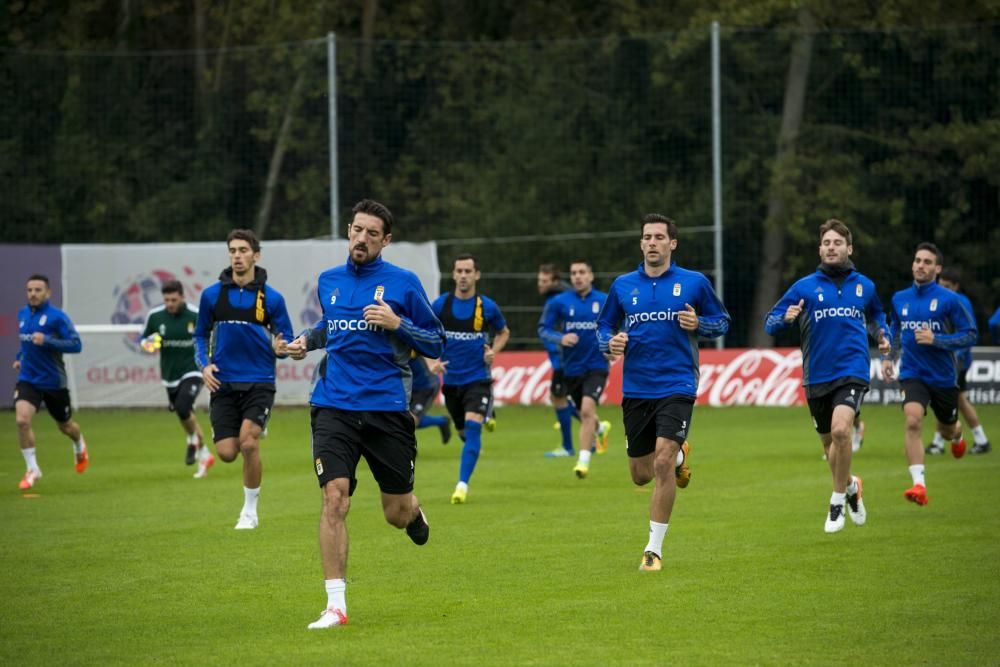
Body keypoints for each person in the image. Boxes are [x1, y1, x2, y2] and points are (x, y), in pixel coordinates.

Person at [281, 198, 445, 629]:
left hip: (387, 408)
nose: (362, 238)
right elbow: (329, 327)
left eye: (372, 233)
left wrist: (398, 325)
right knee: (335, 496)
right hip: (333, 404)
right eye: (357, 230)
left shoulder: (403, 284)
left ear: (385, 240)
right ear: (349, 232)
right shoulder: (329, 280)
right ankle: (335, 605)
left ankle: (412, 509)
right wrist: (304, 341)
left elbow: (437, 341)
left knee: (395, 513)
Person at [598, 214, 730, 571]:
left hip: (678, 383)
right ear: (641, 243)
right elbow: (605, 327)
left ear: (672, 243)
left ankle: (653, 550)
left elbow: (722, 321)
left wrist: (699, 324)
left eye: (659, 237)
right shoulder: (623, 286)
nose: (652, 242)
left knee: (661, 462)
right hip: (637, 387)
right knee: (640, 474)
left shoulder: (694, 283)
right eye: (647, 237)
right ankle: (682, 457)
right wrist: (611, 342)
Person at [765, 219, 889, 534]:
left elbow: (876, 316)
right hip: (816, 375)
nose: (831, 247)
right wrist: (785, 318)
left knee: (841, 432)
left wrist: (883, 334)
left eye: (837, 242)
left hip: (852, 370)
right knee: (829, 448)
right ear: (820, 249)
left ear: (849, 248)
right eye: (826, 243)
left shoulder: (865, 285)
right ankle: (851, 486)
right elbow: (771, 322)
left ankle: (836, 503)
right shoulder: (804, 286)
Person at [193, 229, 293, 529]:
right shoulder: (212, 295)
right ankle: (252, 430)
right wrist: (204, 365)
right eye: (232, 251)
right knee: (226, 453)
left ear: (256, 255)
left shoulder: (272, 298)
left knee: (249, 444)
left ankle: (249, 512)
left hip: (259, 380)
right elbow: (199, 335)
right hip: (223, 382)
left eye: (243, 250)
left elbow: (284, 338)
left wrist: (282, 346)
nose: (237, 256)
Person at [882, 244, 978, 506]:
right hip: (913, 373)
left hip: (944, 378)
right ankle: (919, 485)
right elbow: (896, 331)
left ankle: (957, 436)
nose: (920, 265)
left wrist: (937, 340)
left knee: (947, 429)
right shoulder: (899, 298)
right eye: (917, 260)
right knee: (912, 420)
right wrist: (889, 358)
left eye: (927, 262)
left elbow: (970, 334)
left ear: (937, 269)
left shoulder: (950, 300)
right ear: (912, 264)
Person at [432, 254, 510, 504]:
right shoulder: (440, 306)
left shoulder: (486, 306)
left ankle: (461, 485)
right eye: (459, 271)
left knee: (473, 429)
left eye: (468, 271)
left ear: (477, 275)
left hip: (478, 379)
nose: (463, 276)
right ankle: (488, 415)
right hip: (452, 384)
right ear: (453, 275)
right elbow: (420, 334)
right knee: (464, 432)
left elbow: (503, 332)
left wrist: (493, 352)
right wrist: (430, 361)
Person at [13, 274, 89, 490]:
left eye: (38, 290)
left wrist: (47, 340)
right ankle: (32, 468)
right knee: (22, 421)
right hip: (28, 380)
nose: (33, 294)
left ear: (48, 293)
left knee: (65, 426)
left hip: (54, 382)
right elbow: (26, 345)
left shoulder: (58, 317)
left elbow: (76, 345)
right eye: (30, 290)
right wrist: (20, 358)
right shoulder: (23, 314)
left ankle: (79, 444)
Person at [538, 260, 612, 478]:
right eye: (574, 273)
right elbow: (543, 329)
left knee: (587, 411)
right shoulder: (559, 302)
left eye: (582, 272)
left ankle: (583, 461)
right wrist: (561, 338)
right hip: (571, 369)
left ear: (591, 276)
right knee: (584, 413)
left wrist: (614, 344)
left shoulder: (604, 300)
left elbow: (618, 325)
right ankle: (600, 429)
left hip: (597, 366)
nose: (578, 276)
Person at [141, 279, 215, 477]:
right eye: (167, 300)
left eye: (174, 299)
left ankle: (193, 440)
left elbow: (210, 338)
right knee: (184, 414)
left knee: (183, 407)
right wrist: (150, 344)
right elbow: (144, 341)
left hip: (194, 370)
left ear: (182, 296)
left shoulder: (196, 315)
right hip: (169, 375)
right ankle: (204, 453)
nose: (170, 304)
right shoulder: (155, 317)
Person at [932, 268, 991, 455]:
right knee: (958, 401)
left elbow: (970, 333)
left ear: (956, 286)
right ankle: (980, 440)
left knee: (944, 398)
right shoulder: (940, 300)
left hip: (957, 361)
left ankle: (939, 443)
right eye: (941, 285)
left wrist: (957, 356)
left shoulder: (961, 302)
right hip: (947, 359)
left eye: (947, 286)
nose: (944, 289)